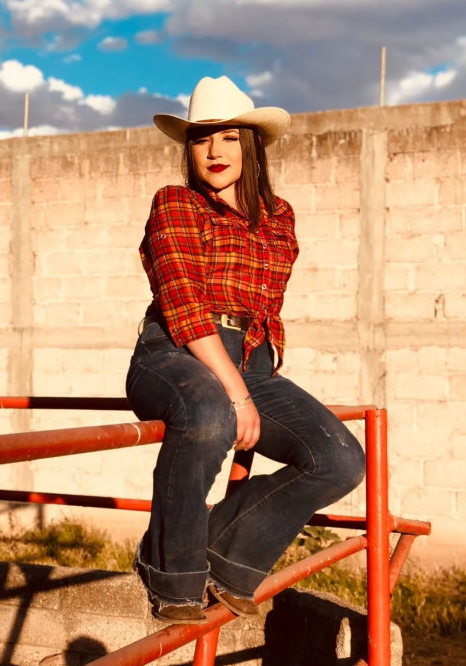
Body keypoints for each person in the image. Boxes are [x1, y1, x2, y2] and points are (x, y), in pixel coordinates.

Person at [126, 76, 365, 624]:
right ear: (188, 148)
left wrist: (257, 377)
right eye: (202, 138)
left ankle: (224, 554)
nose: (214, 151)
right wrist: (236, 392)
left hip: (250, 362)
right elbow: (184, 303)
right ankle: (172, 571)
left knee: (341, 459)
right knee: (209, 415)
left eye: (229, 138)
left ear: (251, 145)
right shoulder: (175, 204)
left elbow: (267, 306)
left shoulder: (279, 217)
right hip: (174, 354)